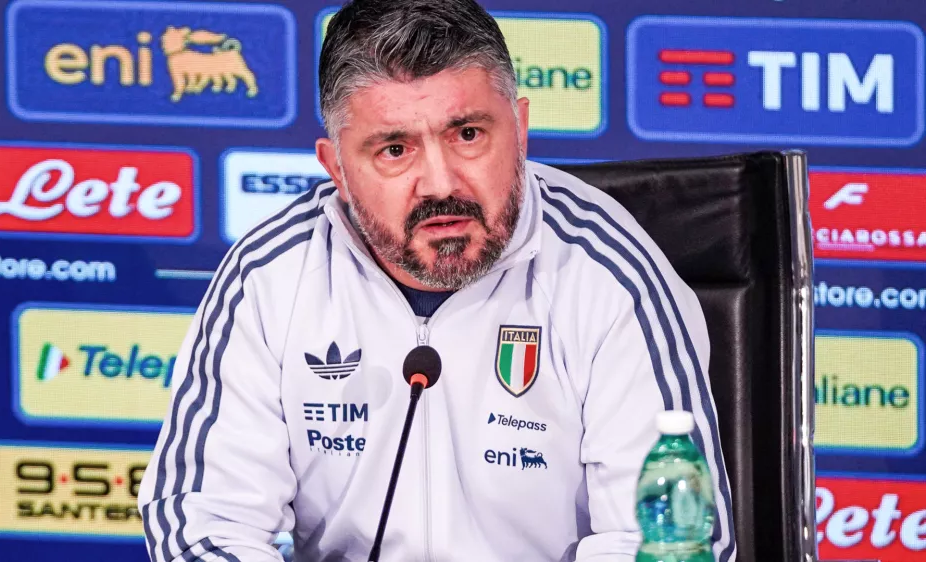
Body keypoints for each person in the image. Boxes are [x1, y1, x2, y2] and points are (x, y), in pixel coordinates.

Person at [138, 0, 737, 560]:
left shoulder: (608, 274)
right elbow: (202, 519)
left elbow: (668, 541)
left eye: (468, 134)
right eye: (394, 150)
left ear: (521, 129)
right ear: (337, 168)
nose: (441, 183)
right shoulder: (270, 275)